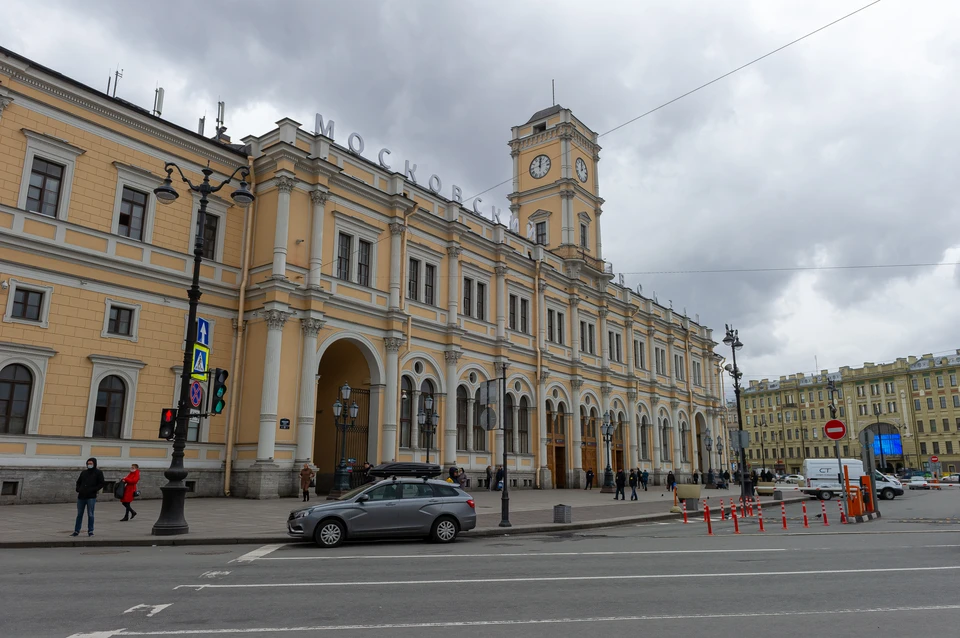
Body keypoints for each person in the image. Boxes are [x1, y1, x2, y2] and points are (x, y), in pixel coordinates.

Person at [73, 457, 105, 537]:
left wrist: (93, 490)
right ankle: (76, 530)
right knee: (79, 514)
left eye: (91, 463)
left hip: (91, 496)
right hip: (81, 496)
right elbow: (78, 482)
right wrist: (78, 489)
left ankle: (90, 531)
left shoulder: (98, 472)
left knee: (90, 514)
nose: (89, 465)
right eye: (88, 463)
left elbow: (101, 483)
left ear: (94, 464)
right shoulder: (84, 472)